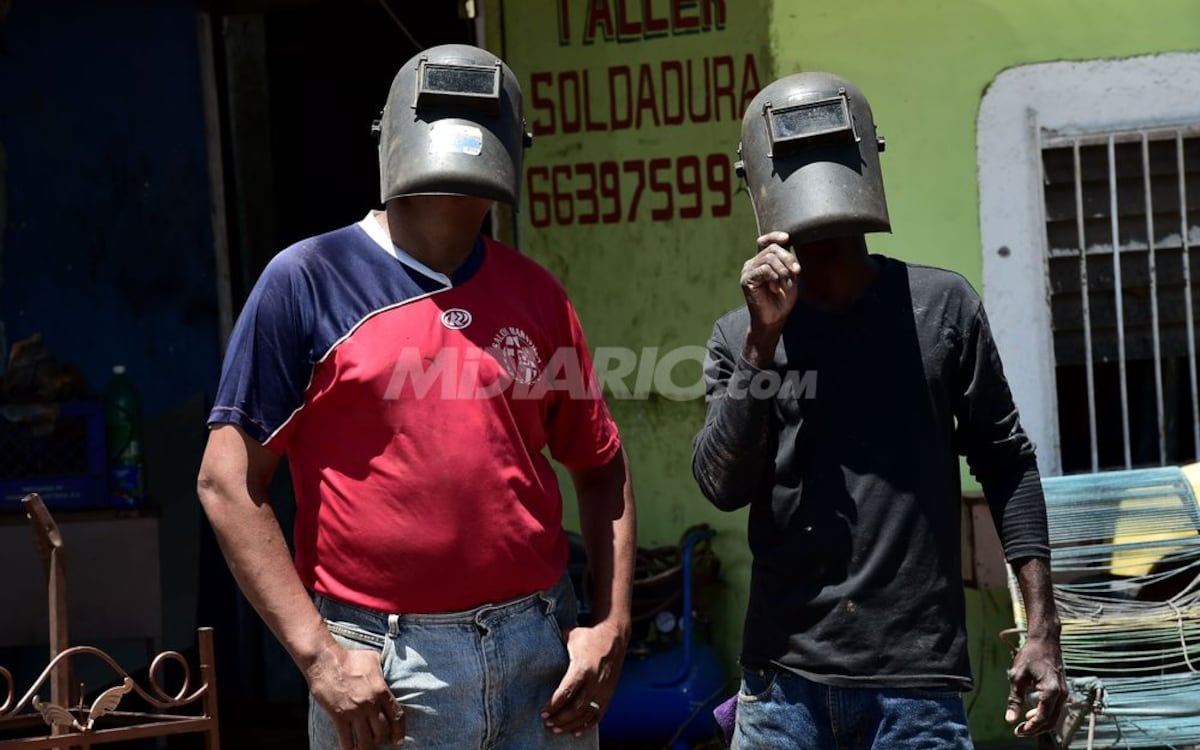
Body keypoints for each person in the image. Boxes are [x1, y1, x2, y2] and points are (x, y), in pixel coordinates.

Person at [197, 43, 636, 750]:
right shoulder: (308, 280)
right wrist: (320, 656)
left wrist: (611, 626)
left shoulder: (536, 295)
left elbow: (600, 466)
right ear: (392, 134)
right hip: (385, 669)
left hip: (540, 659)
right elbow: (227, 483)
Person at [691, 71, 1065, 748]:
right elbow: (721, 485)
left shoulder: (940, 309)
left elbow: (1007, 462)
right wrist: (762, 342)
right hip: (784, 685)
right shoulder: (740, 337)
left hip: (915, 688)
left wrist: (1043, 631)